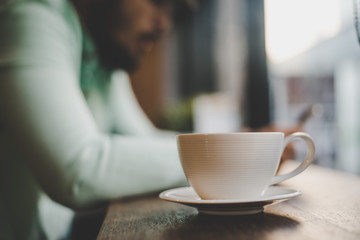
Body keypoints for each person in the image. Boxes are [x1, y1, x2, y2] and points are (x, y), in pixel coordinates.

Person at [0, 0, 188, 239]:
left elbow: (145, 141)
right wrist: (218, 154)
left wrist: (226, 146)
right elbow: (78, 170)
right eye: (157, 2)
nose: (165, 23)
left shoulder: (104, 47)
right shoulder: (31, 15)